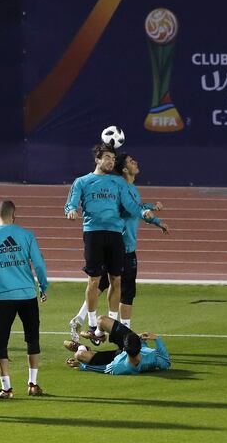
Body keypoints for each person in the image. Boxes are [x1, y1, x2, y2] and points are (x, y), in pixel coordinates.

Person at [64, 144, 159, 345]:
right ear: (97, 160)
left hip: (115, 235)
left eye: (113, 158)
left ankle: (112, 325)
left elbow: (130, 206)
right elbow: (71, 202)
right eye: (107, 157)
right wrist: (71, 210)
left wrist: (145, 212)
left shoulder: (118, 182)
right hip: (93, 233)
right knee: (94, 280)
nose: (110, 161)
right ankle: (91, 324)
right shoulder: (82, 181)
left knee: (116, 280)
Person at [0, 200, 48, 399]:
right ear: (14, 216)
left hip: (4, 298)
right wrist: (43, 286)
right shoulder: (26, 235)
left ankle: (6, 389)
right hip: (28, 296)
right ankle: (33, 384)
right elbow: (39, 264)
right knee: (32, 338)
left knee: (0, 343)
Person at [64, 315, 171, 375]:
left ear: (124, 348)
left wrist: (82, 366)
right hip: (132, 347)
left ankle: (82, 347)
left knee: (79, 355)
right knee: (101, 321)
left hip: (116, 356)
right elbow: (166, 362)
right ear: (141, 345)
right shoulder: (152, 356)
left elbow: (102, 368)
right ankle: (97, 335)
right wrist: (157, 338)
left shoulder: (119, 366)